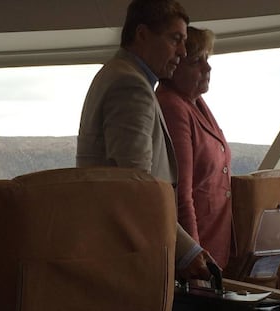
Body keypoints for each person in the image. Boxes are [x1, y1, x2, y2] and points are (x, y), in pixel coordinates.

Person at [76, 0, 212, 280]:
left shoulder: (118, 75)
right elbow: (139, 187)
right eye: (176, 39)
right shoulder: (130, 86)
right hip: (126, 250)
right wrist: (187, 252)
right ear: (142, 34)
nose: (183, 52)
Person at [156, 26, 235, 269]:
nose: (207, 68)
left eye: (207, 59)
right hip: (199, 251)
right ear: (174, 65)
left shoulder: (196, 101)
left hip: (216, 243)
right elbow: (181, 193)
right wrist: (193, 255)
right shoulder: (172, 106)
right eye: (196, 62)